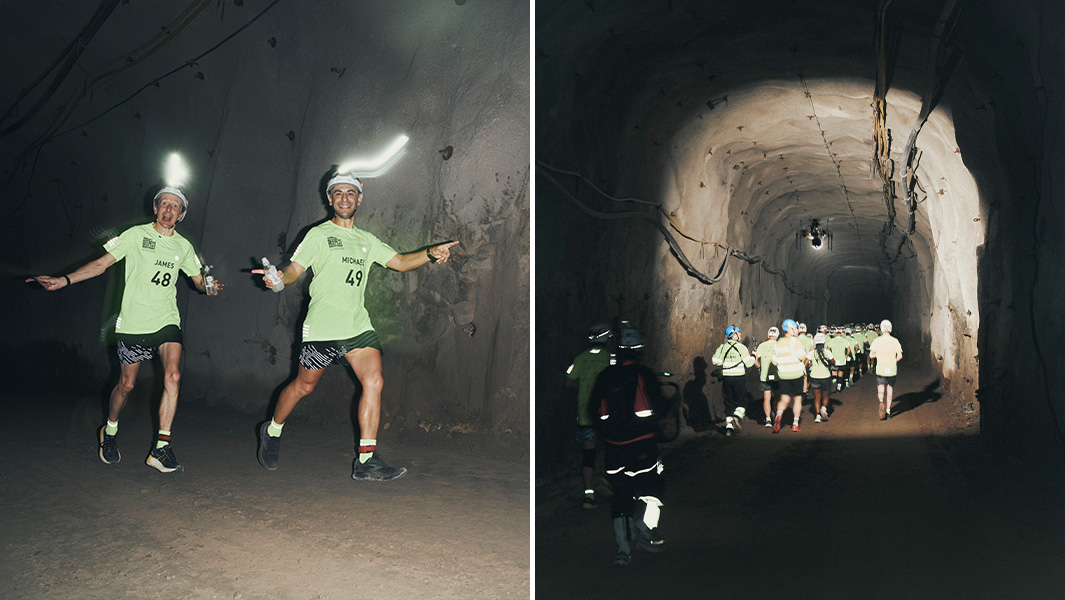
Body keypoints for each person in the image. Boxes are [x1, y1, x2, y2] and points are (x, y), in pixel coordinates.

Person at [254, 171, 459, 481]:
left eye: (350, 193)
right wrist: (277, 279)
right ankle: (272, 430)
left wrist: (432, 252)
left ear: (359, 199)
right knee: (303, 387)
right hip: (322, 328)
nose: (344, 198)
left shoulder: (367, 240)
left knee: (374, 380)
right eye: (338, 193)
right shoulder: (318, 235)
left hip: (357, 327)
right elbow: (294, 271)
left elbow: (401, 262)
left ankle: (366, 460)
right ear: (329, 199)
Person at [26, 186, 222, 473]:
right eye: (164, 204)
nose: (169, 209)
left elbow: (197, 281)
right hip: (133, 323)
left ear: (181, 215)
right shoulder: (135, 235)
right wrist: (64, 280)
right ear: (155, 209)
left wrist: (209, 287)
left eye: (175, 206)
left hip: (166, 320)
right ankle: (110, 430)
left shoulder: (184, 247)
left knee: (174, 375)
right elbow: (100, 265)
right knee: (126, 385)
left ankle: (162, 448)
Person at [587, 321, 668, 567]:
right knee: (652, 487)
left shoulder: (605, 376)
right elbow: (661, 407)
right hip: (643, 444)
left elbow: (592, 410)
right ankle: (646, 528)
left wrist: (606, 433)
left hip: (614, 447)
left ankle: (623, 550)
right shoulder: (644, 374)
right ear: (639, 348)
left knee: (620, 495)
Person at [566, 323, 613, 509]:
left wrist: (585, 384)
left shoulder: (580, 358)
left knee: (588, 455)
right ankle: (609, 485)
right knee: (612, 449)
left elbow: (569, 383)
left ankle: (588, 496)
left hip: (585, 414)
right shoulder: (611, 358)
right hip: (607, 413)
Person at [710, 325, 755, 437]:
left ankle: (729, 428)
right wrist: (754, 356)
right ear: (733, 335)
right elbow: (749, 363)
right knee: (742, 401)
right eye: (738, 333)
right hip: (738, 378)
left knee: (729, 402)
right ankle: (736, 417)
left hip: (726, 378)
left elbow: (716, 361)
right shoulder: (742, 348)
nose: (740, 334)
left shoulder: (722, 347)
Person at [770, 319, 808, 433]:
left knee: (785, 398)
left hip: (783, 375)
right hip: (796, 374)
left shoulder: (778, 343)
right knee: (797, 398)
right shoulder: (795, 342)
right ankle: (795, 424)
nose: (797, 330)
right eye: (795, 328)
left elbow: (774, 362)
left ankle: (778, 414)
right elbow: (802, 357)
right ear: (790, 329)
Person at [869, 319, 904, 420]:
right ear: (891, 329)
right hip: (892, 369)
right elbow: (900, 356)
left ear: (881, 329)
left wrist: (878, 355)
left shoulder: (876, 341)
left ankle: (881, 402)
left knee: (881, 388)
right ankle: (888, 410)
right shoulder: (895, 341)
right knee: (890, 390)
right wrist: (893, 361)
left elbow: (871, 355)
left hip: (880, 368)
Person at [753, 327, 780, 428]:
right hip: (778, 376)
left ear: (768, 335)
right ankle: (776, 412)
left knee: (766, 397)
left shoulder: (761, 346)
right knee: (777, 396)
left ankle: (768, 419)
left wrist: (760, 367)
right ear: (777, 336)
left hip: (765, 376)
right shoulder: (780, 345)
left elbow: (754, 359)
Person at [808, 333, 835, 423]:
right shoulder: (827, 352)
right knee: (825, 395)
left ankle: (817, 415)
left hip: (814, 376)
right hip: (825, 376)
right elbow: (833, 362)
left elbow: (805, 363)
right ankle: (823, 408)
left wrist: (811, 364)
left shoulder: (812, 352)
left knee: (817, 397)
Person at [826, 327, 851, 393]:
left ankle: (834, 384)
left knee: (834, 372)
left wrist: (830, 356)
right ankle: (839, 388)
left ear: (835, 333)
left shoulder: (831, 340)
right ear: (841, 333)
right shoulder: (845, 340)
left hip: (834, 360)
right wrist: (846, 355)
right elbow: (849, 349)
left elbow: (827, 349)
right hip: (842, 360)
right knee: (840, 373)